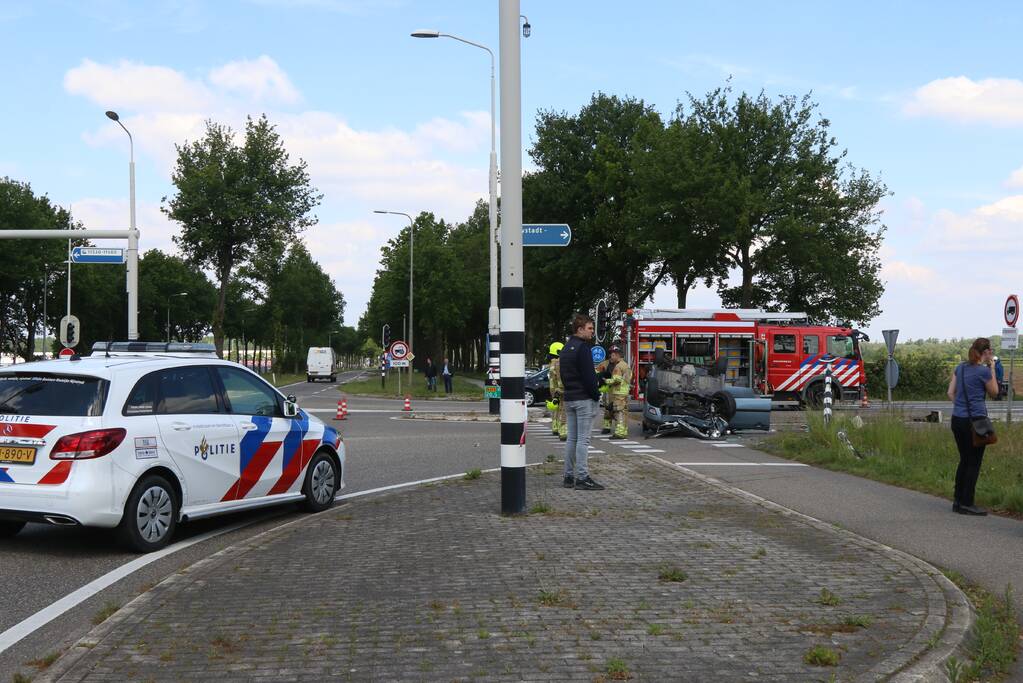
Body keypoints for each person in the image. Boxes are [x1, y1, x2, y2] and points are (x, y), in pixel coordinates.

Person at [947, 337, 999, 515]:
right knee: (974, 463)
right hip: (976, 422)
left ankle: (958, 501)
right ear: (985, 353)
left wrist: (961, 407)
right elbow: (994, 392)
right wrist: (991, 367)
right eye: (989, 351)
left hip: (957, 419)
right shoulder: (983, 371)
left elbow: (950, 393)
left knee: (964, 460)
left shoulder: (960, 368)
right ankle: (967, 503)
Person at [559, 313, 604, 491]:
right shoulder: (583, 348)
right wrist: (595, 395)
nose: (592, 332)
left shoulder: (566, 348)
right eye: (590, 328)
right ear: (580, 329)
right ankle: (583, 477)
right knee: (583, 441)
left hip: (570, 398)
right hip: (584, 399)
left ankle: (568, 476)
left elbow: (564, 375)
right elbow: (588, 376)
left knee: (572, 439)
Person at [604, 345, 632, 439]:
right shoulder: (625, 365)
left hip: (618, 392)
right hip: (624, 392)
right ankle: (623, 431)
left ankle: (619, 433)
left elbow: (616, 380)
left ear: (616, 355)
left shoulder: (618, 366)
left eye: (611, 355)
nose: (610, 357)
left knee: (618, 412)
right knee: (624, 412)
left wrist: (606, 381)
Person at [547, 342, 566, 440]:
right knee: (562, 409)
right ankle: (560, 429)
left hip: (553, 389)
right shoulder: (559, 363)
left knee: (556, 409)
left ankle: (555, 427)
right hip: (559, 389)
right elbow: (560, 378)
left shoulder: (551, 363)